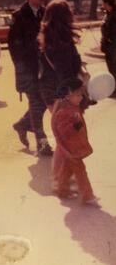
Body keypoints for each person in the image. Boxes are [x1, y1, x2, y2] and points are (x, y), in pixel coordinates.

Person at [8, 0, 53, 156]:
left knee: (42, 102)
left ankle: (22, 124)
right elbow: (14, 46)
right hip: (29, 69)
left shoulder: (45, 13)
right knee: (36, 103)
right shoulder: (18, 16)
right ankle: (42, 143)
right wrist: (23, 68)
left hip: (45, 68)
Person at [51, 77, 100, 206]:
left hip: (74, 147)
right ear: (67, 96)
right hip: (71, 148)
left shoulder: (72, 107)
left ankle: (62, 190)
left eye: (81, 95)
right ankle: (88, 196)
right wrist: (75, 126)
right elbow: (63, 132)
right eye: (78, 95)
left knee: (68, 169)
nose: (81, 98)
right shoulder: (63, 112)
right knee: (81, 171)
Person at [38, 0, 82, 111]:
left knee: (61, 126)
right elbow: (64, 71)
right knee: (72, 126)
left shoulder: (44, 37)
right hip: (63, 93)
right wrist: (75, 93)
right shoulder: (62, 42)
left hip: (49, 90)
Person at [100, 0, 116, 97]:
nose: (102, 5)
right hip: (108, 46)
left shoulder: (115, 15)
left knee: (114, 68)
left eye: (103, 3)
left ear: (108, 3)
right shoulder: (108, 14)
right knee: (111, 68)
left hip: (113, 46)